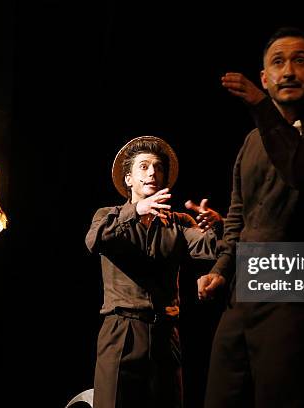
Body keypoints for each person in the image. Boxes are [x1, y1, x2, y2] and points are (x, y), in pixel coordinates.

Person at [197, 27, 304, 407]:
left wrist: (260, 108)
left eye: (299, 61)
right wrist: (221, 269)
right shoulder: (252, 141)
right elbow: (239, 212)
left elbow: (302, 174)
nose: (288, 71)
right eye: (278, 62)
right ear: (265, 78)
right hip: (242, 295)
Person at [85, 136, 222, 408]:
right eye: (144, 167)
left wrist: (217, 226)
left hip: (165, 332)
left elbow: (213, 248)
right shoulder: (109, 215)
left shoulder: (178, 223)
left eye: (158, 167)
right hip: (122, 329)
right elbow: (95, 241)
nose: (153, 173)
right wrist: (135, 211)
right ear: (128, 179)